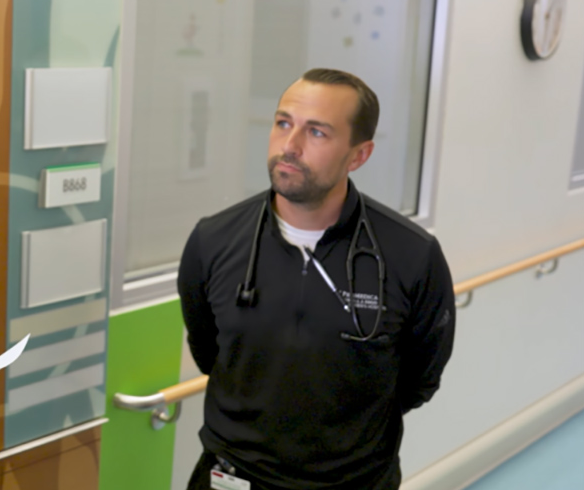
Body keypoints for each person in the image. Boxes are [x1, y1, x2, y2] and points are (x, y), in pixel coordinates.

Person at [178, 69, 455, 489]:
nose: (289, 146)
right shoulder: (213, 240)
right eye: (283, 123)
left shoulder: (410, 255)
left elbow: (420, 379)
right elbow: (210, 352)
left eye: (317, 133)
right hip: (234, 478)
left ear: (358, 155)